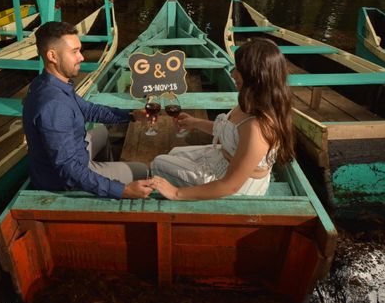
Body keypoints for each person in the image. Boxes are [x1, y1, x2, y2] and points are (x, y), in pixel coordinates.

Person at [149, 38, 294, 200]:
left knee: (158, 163)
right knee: (175, 152)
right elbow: (228, 131)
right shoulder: (253, 101)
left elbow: (230, 185)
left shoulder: (257, 127)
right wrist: (194, 123)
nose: (233, 74)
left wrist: (176, 193)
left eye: (239, 70)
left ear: (255, 76)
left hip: (236, 185)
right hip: (222, 158)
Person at [23, 21, 153, 199]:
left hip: (71, 157)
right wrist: (124, 190)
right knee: (142, 170)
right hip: (63, 182)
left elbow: (89, 110)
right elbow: (70, 171)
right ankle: (103, 186)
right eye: (74, 52)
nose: (82, 57)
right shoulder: (54, 105)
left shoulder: (47, 82)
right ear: (52, 56)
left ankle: (104, 172)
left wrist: (131, 115)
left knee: (102, 132)